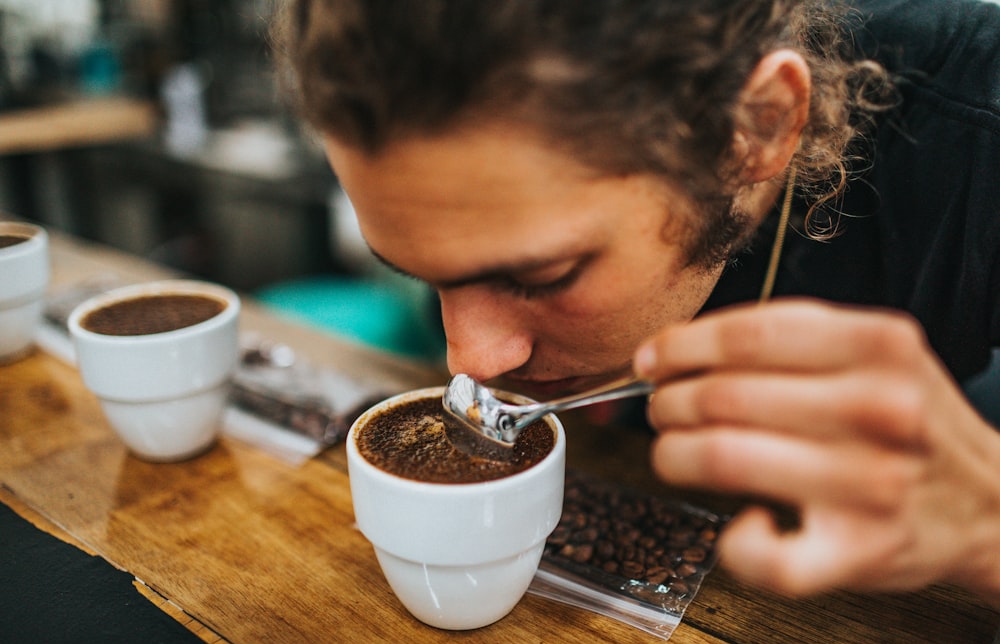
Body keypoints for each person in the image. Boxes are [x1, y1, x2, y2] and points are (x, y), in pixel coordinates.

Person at [273, 0, 1000, 607]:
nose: (469, 361)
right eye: (420, 272)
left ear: (757, 127)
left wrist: (984, 525)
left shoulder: (976, 131)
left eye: (543, 274)